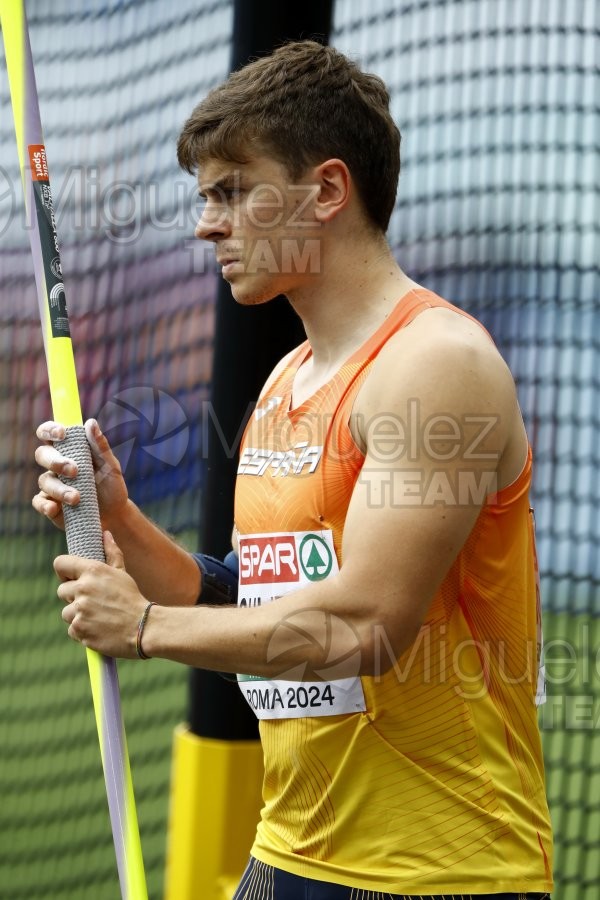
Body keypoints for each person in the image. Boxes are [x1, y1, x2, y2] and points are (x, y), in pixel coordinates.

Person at [32, 41, 553, 900]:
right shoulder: (287, 378)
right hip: (286, 855)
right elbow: (244, 600)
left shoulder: (435, 364)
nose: (207, 224)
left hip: (440, 872)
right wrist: (121, 521)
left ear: (327, 191)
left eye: (233, 191)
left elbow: (367, 626)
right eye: (205, 198)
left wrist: (144, 630)